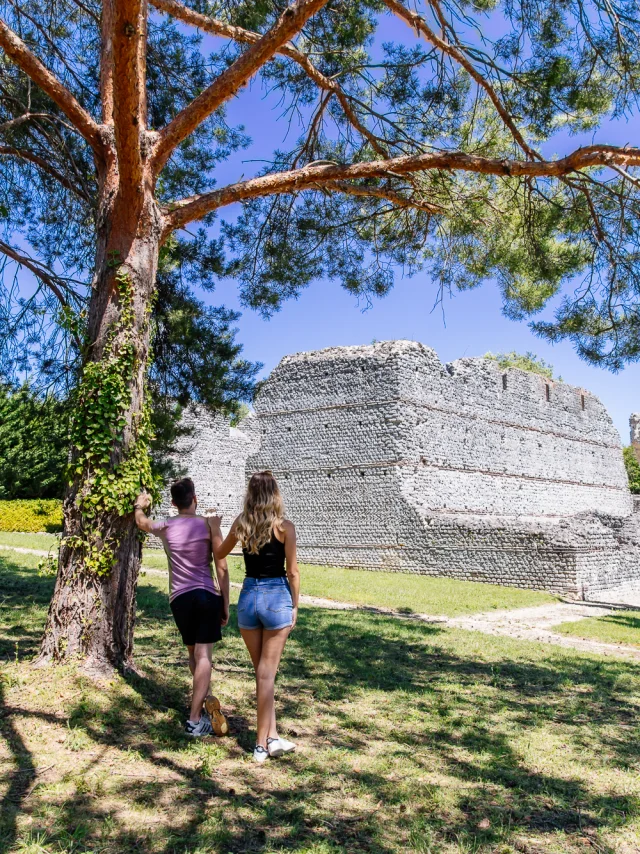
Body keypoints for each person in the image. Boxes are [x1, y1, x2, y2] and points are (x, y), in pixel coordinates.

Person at [209, 470, 300, 764]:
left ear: (250, 494)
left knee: (263, 674)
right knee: (266, 674)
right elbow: (293, 572)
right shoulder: (285, 528)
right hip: (276, 598)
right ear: (275, 494)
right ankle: (261, 744)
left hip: (249, 597)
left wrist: (214, 529)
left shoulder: (241, 524)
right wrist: (295, 606)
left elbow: (219, 553)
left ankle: (272, 737)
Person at [134, 478, 230, 738]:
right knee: (204, 656)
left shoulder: (165, 525)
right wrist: (226, 601)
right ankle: (194, 720)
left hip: (179, 599)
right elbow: (221, 566)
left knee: (194, 652)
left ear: (174, 503)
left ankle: (204, 697)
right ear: (195, 498)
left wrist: (139, 505)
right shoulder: (208, 525)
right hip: (206, 595)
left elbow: (141, 522)